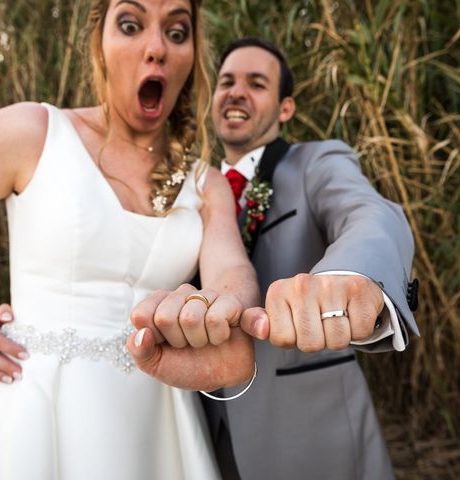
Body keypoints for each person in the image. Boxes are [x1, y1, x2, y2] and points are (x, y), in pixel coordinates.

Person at [0, 2, 261, 478]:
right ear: (99, 45)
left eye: (176, 32)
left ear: (191, 55)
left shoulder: (205, 183)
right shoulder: (34, 133)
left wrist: (225, 311)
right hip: (29, 407)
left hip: (156, 427)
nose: (156, 48)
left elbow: (231, 271)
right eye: (131, 26)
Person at [130, 37, 420, 479]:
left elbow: (371, 214)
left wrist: (352, 273)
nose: (236, 91)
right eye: (226, 81)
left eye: (256, 83)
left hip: (313, 438)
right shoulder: (189, 188)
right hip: (199, 435)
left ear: (285, 108)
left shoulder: (318, 162)